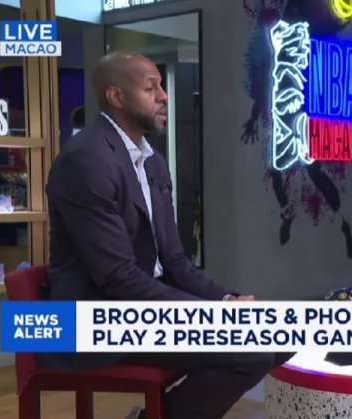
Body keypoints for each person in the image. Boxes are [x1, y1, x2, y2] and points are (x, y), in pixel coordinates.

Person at [43, 52, 292, 419]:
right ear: (116, 97)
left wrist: (228, 299)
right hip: (95, 319)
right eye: (151, 88)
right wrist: (213, 315)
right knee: (250, 351)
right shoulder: (87, 160)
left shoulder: (153, 162)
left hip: (143, 308)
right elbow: (117, 277)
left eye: (161, 86)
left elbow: (174, 261)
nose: (164, 96)